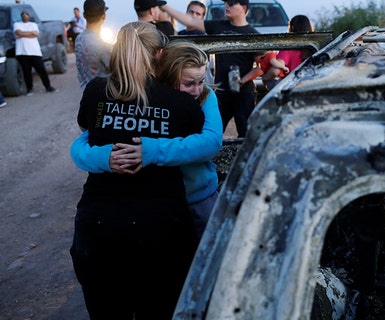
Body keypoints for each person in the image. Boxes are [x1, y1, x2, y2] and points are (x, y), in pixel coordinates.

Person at [70, 22, 204, 319]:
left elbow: (86, 130)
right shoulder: (181, 103)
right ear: (159, 55)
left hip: (98, 228)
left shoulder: (96, 90)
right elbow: (205, 141)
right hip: (161, 231)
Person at [71, 40, 223, 238]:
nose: (196, 89)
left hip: (198, 196)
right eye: (188, 83)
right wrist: (104, 157)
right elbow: (85, 141)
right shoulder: (151, 98)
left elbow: (211, 142)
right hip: (158, 203)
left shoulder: (205, 96)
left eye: (201, 81)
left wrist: (152, 150)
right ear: (168, 76)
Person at [161, 0, 264, 138]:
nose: (226, 5)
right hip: (221, 91)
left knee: (246, 135)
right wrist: (163, 6)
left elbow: (262, 66)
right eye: (226, 2)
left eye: (232, 3)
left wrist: (243, 80)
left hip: (244, 93)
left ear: (243, 8)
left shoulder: (252, 34)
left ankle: (241, 159)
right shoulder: (218, 26)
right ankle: (213, 157)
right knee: (210, 131)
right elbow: (190, 21)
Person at [261, 15, 314, 90]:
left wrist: (265, 77)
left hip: (291, 87)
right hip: (310, 86)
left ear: (292, 28)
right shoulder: (314, 47)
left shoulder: (289, 48)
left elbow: (275, 71)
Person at [13, 11, 58, 95]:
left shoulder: (33, 24)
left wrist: (22, 35)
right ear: (21, 17)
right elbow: (18, 32)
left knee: (42, 70)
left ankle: (48, 87)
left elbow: (35, 34)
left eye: (26, 15)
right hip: (23, 52)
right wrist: (30, 33)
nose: (25, 16)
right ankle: (29, 89)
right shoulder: (17, 24)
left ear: (29, 16)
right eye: (23, 15)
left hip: (35, 52)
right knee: (27, 72)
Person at [75, 0, 112, 90]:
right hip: (102, 96)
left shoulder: (78, 39)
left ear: (84, 15)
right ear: (104, 16)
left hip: (86, 93)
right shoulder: (102, 45)